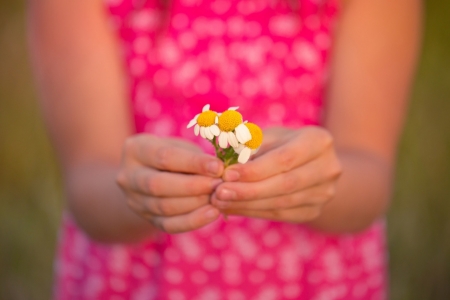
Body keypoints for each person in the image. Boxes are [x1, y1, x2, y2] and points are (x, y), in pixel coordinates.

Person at [27, 0, 421, 299]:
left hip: (316, 280)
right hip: (136, 277)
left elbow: (369, 175)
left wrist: (322, 182)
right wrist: (139, 192)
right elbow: (88, 184)